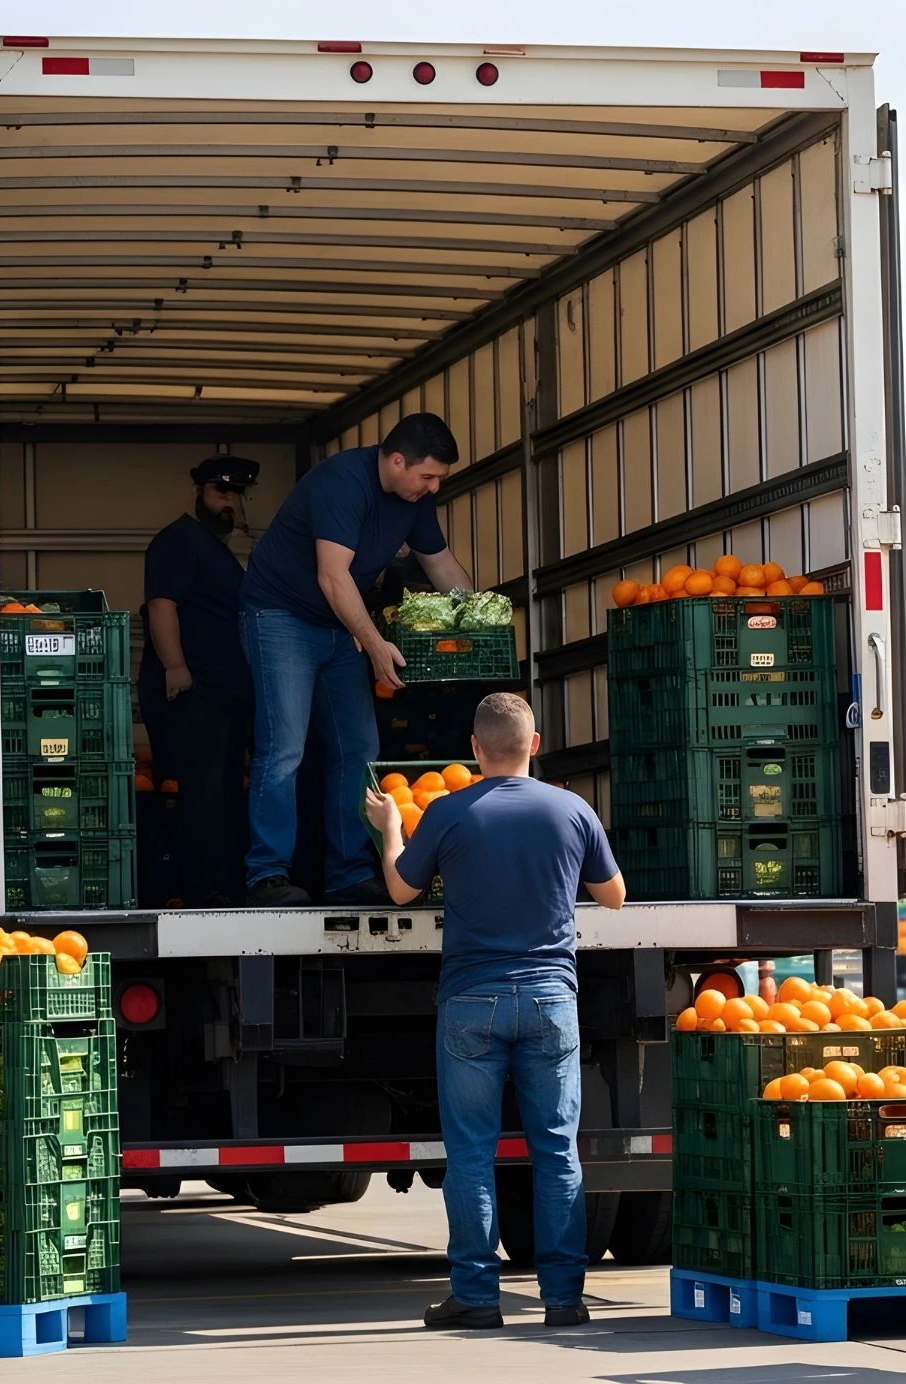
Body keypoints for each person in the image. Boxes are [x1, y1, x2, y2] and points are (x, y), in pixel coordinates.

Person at [364, 693, 627, 1330]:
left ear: (475, 750)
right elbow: (614, 898)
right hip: (549, 999)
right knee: (557, 1153)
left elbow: (401, 890)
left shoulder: (449, 812)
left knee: (473, 1155)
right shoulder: (572, 809)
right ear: (535, 745)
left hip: (470, 1001)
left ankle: (477, 1299)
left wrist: (391, 827)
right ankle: (564, 1300)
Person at [242, 413, 473, 907]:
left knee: (358, 749)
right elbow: (333, 576)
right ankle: (266, 874)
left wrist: (477, 620)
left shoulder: (416, 499)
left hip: (338, 625)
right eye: (427, 476)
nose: (433, 488)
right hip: (280, 616)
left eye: (439, 480)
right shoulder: (342, 481)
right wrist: (371, 640)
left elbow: (440, 563)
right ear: (395, 460)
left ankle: (350, 872)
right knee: (283, 749)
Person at [141, 454, 260, 905]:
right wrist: (176, 666)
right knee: (205, 791)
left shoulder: (217, 550)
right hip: (195, 691)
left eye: (236, 495)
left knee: (224, 789)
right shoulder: (178, 541)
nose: (228, 501)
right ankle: (202, 887)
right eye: (220, 492)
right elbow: (161, 605)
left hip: (223, 694)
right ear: (200, 492)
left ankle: (220, 882)